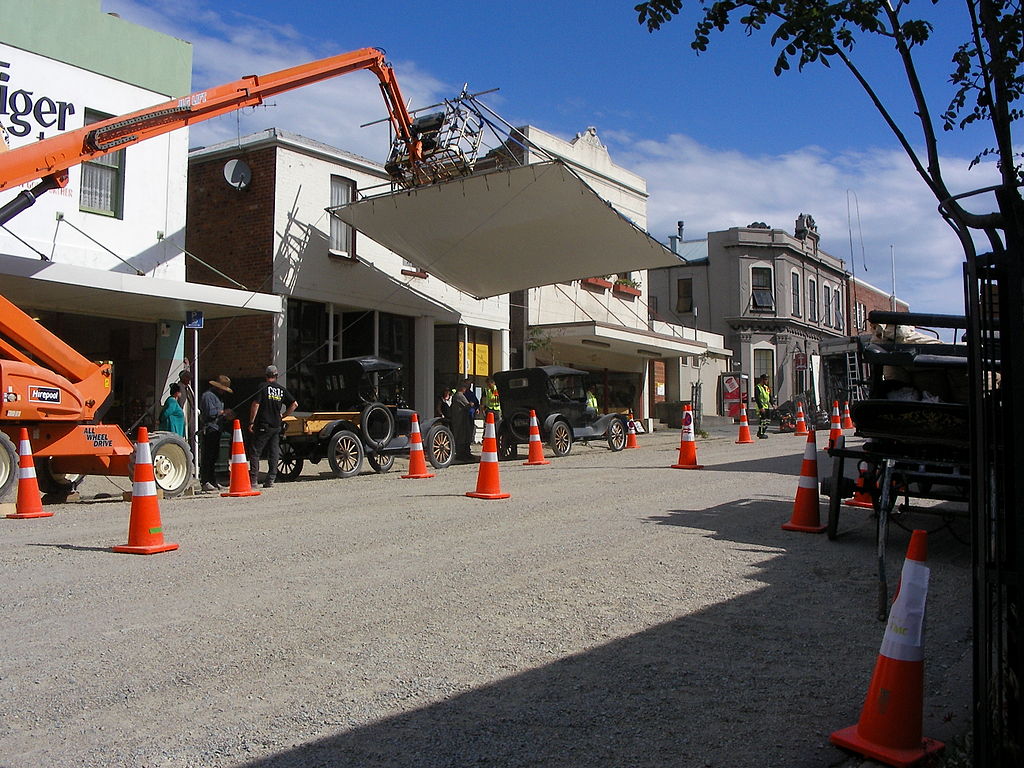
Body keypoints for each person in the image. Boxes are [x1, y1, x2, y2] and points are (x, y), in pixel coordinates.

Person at [248, 365, 298, 488]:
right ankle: (270, 479)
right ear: (276, 376)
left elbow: (256, 404)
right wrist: (284, 415)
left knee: (255, 451)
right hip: (276, 425)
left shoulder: (262, 387)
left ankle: (253, 480)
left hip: (263, 424)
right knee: (274, 451)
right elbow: (295, 404)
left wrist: (251, 422)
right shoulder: (281, 390)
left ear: (266, 376)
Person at [199, 375, 233, 492]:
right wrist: (223, 412)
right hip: (210, 429)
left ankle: (212, 480)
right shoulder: (208, 396)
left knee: (214, 456)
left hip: (218, 428)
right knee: (208, 456)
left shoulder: (219, 398)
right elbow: (210, 413)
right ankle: (205, 481)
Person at [450, 381, 476, 463]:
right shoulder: (459, 396)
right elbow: (467, 405)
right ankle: (461, 454)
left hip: (462, 420)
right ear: (463, 388)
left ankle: (465, 453)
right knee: (461, 437)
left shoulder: (457, 396)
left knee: (465, 436)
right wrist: (471, 404)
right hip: (460, 420)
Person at [755, 374, 773, 439]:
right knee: (763, 421)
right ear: (762, 380)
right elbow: (757, 398)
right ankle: (761, 433)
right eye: (765, 379)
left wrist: (773, 404)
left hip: (766, 406)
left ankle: (761, 432)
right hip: (761, 407)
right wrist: (760, 407)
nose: (767, 381)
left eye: (767, 379)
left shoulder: (766, 387)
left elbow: (769, 396)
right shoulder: (757, 387)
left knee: (768, 421)